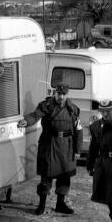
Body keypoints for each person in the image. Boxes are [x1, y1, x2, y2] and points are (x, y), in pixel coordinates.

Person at [17, 84, 82, 215]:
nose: (61, 97)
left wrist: (77, 150)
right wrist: (26, 121)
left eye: (64, 94)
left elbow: (78, 131)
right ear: (55, 93)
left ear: (67, 94)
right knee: (46, 176)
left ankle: (60, 204)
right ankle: (41, 205)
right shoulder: (46, 105)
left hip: (67, 146)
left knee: (65, 176)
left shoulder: (73, 109)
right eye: (59, 94)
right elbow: (35, 115)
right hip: (49, 144)